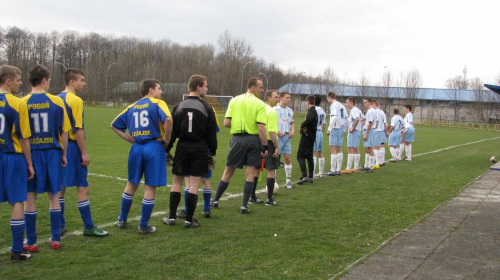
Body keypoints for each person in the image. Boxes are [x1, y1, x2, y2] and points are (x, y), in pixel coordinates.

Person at [112, 78, 172, 234]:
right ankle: (143, 226)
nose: (161, 91)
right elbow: (168, 119)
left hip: (137, 147)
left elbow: (114, 125)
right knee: (150, 186)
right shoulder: (158, 103)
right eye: (159, 88)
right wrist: (167, 139)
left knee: (131, 184)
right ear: (151, 90)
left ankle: (121, 219)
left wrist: (130, 139)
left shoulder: (132, 106)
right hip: (153, 146)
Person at [22, 65, 70, 251]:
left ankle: (31, 241)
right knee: (54, 196)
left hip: (31, 153)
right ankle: (56, 238)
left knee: (30, 197)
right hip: (52, 152)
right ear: (44, 80)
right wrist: (64, 153)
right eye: (49, 80)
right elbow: (64, 131)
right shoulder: (57, 102)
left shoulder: (22, 102)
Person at [58, 69, 108, 237]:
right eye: (81, 80)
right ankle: (88, 226)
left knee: (60, 188)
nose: (84, 83)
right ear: (72, 82)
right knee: (83, 187)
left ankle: (59, 225)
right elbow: (78, 129)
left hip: (59, 147)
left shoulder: (56, 99)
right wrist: (84, 153)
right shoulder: (75, 100)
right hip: (72, 147)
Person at [163, 75, 217, 228]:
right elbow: (211, 135)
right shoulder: (207, 108)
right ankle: (189, 220)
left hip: (182, 147)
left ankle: (172, 217)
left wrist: (167, 150)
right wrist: (212, 152)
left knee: (176, 182)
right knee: (193, 184)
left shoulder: (179, 105)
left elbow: (172, 133)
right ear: (198, 87)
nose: (207, 89)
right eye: (205, 86)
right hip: (199, 148)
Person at [211, 77, 267, 214]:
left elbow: (226, 123)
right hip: (252, 140)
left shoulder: (234, 100)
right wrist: (265, 146)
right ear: (252, 87)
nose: (262, 90)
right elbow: (261, 127)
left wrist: (236, 125)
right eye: (260, 87)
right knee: (249, 174)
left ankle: (215, 200)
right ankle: (244, 206)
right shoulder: (260, 104)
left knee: (228, 172)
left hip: (237, 139)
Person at [0, 65, 35, 261]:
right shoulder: (18, 103)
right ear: (8, 81)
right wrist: (29, 164)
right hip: (12, 157)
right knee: (17, 202)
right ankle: (16, 250)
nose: (20, 83)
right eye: (18, 79)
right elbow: (24, 138)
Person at [177, 106, 220, 219]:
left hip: (191, 146)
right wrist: (212, 151)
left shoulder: (185, 106)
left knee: (189, 180)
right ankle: (206, 209)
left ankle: (187, 210)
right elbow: (214, 130)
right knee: (205, 179)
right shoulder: (210, 108)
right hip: (205, 146)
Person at [263, 90, 280, 205]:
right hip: (269, 142)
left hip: (258, 141)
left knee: (254, 170)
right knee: (271, 170)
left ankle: (252, 197)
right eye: (276, 97)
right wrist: (277, 146)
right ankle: (269, 199)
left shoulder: (260, 108)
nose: (277, 99)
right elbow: (272, 132)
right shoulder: (272, 112)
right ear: (269, 98)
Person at [274, 91, 294, 188]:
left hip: (286, 137)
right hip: (278, 137)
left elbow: (292, 123)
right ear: (281, 98)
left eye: (289, 98)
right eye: (287, 97)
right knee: (275, 158)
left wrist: (292, 131)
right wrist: (278, 131)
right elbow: (271, 124)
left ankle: (288, 180)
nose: (289, 99)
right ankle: (273, 180)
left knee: (287, 158)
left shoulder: (290, 111)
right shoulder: (274, 109)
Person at [297, 95, 318, 184]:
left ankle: (305, 175)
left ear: (308, 102)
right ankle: (310, 176)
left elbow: (309, 119)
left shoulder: (310, 111)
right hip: (312, 137)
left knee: (300, 156)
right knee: (309, 157)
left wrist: (302, 125)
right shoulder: (315, 111)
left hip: (307, 137)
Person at [324, 92, 346, 176]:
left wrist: (329, 128)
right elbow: (346, 118)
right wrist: (343, 128)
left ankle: (333, 170)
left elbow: (334, 117)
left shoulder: (334, 105)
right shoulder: (341, 105)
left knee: (332, 148)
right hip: (340, 128)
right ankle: (338, 169)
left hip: (335, 128)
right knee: (339, 148)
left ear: (329, 97)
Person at [341, 97, 362, 174]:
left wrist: (353, 128)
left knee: (350, 148)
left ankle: (348, 168)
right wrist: (359, 127)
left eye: (347, 103)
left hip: (354, 132)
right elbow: (364, 119)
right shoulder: (358, 110)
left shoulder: (354, 110)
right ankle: (355, 168)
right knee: (356, 148)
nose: (347, 104)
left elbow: (357, 119)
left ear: (351, 102)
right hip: (358, 131)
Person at [360, 98, 376, 173]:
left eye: (365, 102)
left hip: (369, 131)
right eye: (364, 102)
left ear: (370, 102)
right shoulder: (369, 111)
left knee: (370, 148)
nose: (364, 104)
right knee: (367, 148)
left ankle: (371, 167)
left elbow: (370, 122)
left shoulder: (372, 111)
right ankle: (366, 165)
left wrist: (367, 133)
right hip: (367, 130)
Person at [313, 95, 326, 178]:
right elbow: (324, 124)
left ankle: (312, 174)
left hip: (315, 131)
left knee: (313, 153)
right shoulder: (322, 110)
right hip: (321, 131)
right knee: (320, 152)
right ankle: (321, 172)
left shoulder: (314, 110)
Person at [372, 100, 388, 168]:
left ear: (374, 104)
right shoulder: (382, 112)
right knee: (381, 146)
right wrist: (386, 131)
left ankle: (377, 162)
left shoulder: (376, 112)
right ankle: (382, 161)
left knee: (375, 147)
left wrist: (373, 127)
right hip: (382, 131)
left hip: (377, 131)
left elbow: (377, 122)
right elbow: (385, 123)